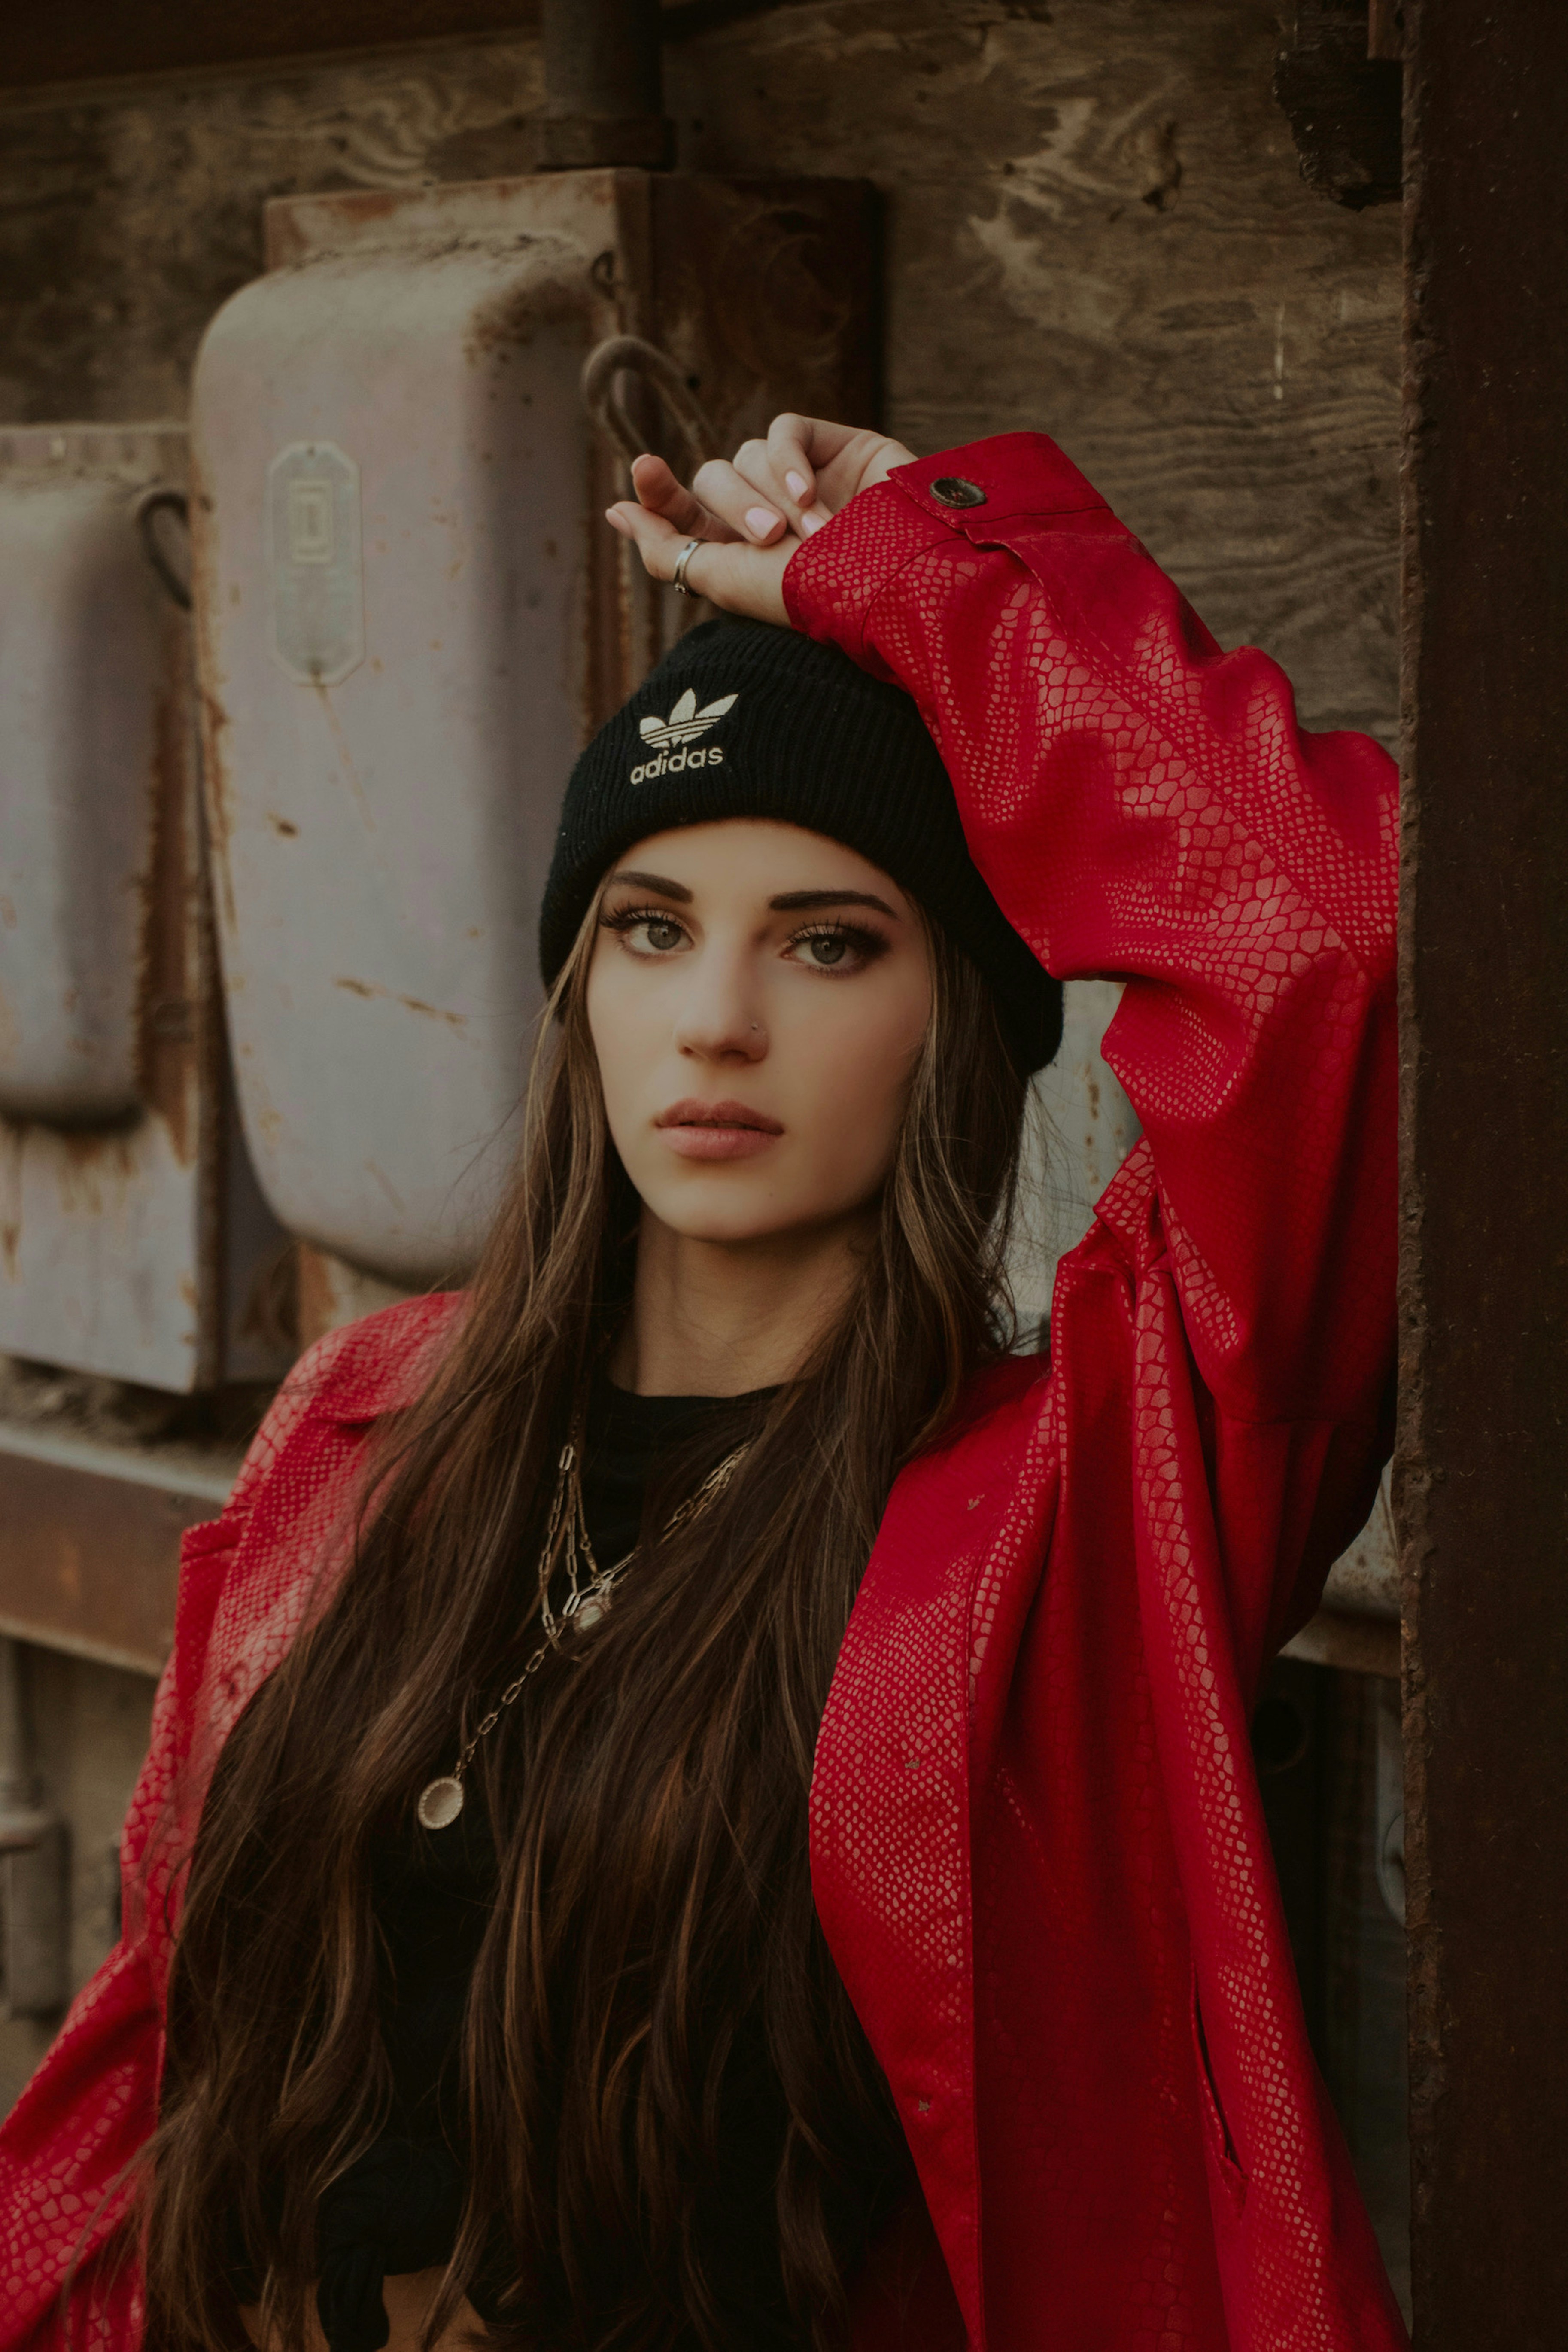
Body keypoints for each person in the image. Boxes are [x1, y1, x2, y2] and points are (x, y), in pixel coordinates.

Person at [0, 417, 1407, 2352]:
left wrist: (931, 578)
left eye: (830, 943)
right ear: (583, 987)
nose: (718, 1016)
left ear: (963, 1027)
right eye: (652, 928)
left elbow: (1328, 946)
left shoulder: (1072, 1504)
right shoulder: (368, 1424)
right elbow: (155, 2043)